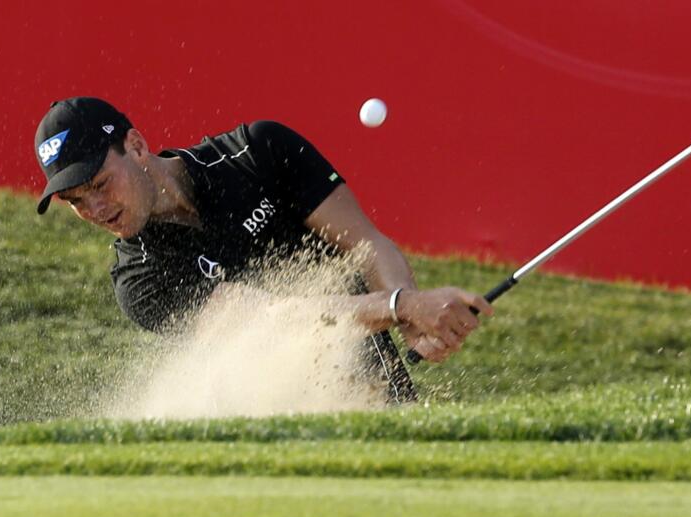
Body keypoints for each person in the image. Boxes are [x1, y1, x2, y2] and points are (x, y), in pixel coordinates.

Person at [33, 97, 493, 404]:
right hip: (271, 435)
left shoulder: (258, 152)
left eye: (99, 184)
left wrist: (411, 317)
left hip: (378, 397)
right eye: (75, 201)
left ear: (135, 147)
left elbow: (365, 244)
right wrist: (401, 306)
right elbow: (275, 320)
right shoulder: (139, 281)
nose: (93, 208)